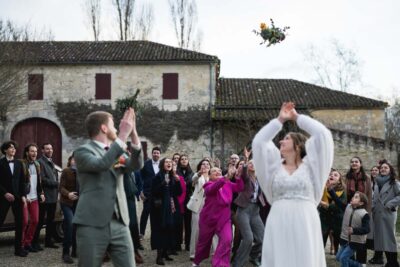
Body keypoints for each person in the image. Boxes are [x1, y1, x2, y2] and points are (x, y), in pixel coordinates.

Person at [252, 102, 334, 267]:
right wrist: (279, 120)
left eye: (287, 138)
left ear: (298, 145)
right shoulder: (273, 168)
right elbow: (259, 142)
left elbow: (323, 135)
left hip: (305, 219)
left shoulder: (313, 168)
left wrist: (297, 118)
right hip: (278, 218)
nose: (281, 141)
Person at [73, 108, 143, 267]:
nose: (117, 129)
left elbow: (136, 165)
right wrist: (123, 135)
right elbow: (101, 164)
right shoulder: (82, 151)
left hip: (120, 223)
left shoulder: (116, 152)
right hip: (91, 223)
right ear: (104, 128)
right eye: (113, 125)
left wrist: (133, 133)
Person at [192, 166, 244, 267]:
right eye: (214, 171)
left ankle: (220, 264)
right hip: (208, 219)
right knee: (203, 243)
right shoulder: (208, 184)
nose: (217, 172)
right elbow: (212, 189)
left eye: (219, 170)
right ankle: (196, 261)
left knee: (227, 240)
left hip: (223, 218)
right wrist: (226, 177)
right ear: (210, 175)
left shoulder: (227, 183)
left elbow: (239, 188)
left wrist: (238, 177)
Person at [232, 156, 266, 267]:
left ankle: (253, 255)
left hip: (255, 211)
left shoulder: (260, 178)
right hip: (244, 210)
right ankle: (237, 263)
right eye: (250, 163)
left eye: (254, 163)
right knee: (248, 238)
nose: (252, 164)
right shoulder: (245, 177)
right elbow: (244, 173)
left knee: (262, 237)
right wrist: (246, 160)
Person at [149, 158, 182, 265]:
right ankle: (159, 257)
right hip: (159, 209)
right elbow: (153, 192)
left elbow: (178, 192)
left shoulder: (173, 176)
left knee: (169, 228)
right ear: (162, 164)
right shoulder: (157, 177)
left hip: (169, 207)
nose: (169, 164)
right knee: (160, 230)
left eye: (170, 163)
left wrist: (178, 182)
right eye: (166, 162)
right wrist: (163, 183)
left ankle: (165, 253)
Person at [369, 160, 400, 267]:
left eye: (386, 168)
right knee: (380, 238)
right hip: (377, 214)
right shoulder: (377, 182)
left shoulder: (394, 183)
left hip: (388, 213)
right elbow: (374, 198)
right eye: (381, 168)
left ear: (390, 170)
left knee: (389, 238)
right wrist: (372, 207)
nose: (383, 169)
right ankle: (381, 259)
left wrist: (391, 204)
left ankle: (393, 263)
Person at [0, 141, 28, 257]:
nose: (13, 150)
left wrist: (23, 196)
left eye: (14, 148)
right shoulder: (0, 163)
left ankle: (18, 249)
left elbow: (22, 181)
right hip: (3, 197)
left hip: (17, 197)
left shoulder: (19, 163)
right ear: (5, 150)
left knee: (20, 224)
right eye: (11, 148)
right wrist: (5, 193)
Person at [344, 156, 372, 265]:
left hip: (362, 209)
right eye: (352, 162)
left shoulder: (367, 178)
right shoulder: (346, 177)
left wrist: (367, 212)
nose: (354, 163)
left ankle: (361, 262)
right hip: (350, 209)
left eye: (356, 161)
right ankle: (351, 261)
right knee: (350, 236)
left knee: (360, 238)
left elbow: (369, 196)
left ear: (360, 164)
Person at [20, 144, 45, 254]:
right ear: (27, 152)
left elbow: (39, 182)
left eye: (35, 151)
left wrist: (42, 193)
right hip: (24, 198)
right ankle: (20, 244)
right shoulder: (21, 164)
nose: (34, 153)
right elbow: (18, 182)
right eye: (32, 151)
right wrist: (23, 196)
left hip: (35, 197)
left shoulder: (37, 164)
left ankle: (27, 243)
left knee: (35, 220)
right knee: (24, 222)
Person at [34, 143, 59, 249]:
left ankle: (48, 241)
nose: (50, 150)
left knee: (51, 221)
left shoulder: (51, 162)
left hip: (53, 197)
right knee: (39, 221)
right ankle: (34, 242)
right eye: (47, 149)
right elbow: (42, 180)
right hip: (44, 197)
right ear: (42, 151)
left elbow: (54, 176)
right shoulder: (40, 162)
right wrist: (56, 183)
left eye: (51, 148)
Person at [336, 191, 370, 267]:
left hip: (355, 242)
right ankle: (359, 265)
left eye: (356, 197)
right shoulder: (348, 207)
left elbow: (367, 229)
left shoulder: (364, 214)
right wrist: (330, 190)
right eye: (354, 196)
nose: (353, 197)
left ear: (361, 203)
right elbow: (338, 201)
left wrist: (354, 230)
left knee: (343, 258)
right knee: (338, 257)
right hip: (345, 240)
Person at [319, 169, 347, 256]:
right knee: (322, 237)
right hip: (324, 217)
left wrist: (325, 204)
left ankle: (336, 251)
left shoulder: (342, 191)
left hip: (337, 218)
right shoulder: (322, 188)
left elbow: (340, 206)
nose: (332, 176)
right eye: (330, 174)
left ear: (339, 181)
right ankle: (319, 256)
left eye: (335, 175)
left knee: (337, 238)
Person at [58, 154, 79, 264]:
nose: (75, 161)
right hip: (66, 202)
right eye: (73, 159)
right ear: (70, 160)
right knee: (70, 224)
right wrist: (68, 194)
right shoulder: (66, 171)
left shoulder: (82, 172)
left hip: (78, 204)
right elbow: (61, 187)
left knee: (76, 227)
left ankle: (75, 251)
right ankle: (65, 253)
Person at [139, 146, 161, 239]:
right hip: (147, 193)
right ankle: (141, 233)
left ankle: (156, 233)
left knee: (157, 214)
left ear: (160, 154)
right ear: (152, 154)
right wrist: (140, 191)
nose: (156, 154)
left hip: (159, 193)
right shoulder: (145, 164)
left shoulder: (162, 165)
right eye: (154, 152)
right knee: (145, 212)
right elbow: (140, 178)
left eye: (157, 153)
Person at [176, 153, 194, 252]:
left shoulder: (192, 173)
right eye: (182, 159)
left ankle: (188, 244)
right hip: (179, 200)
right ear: (179, 161)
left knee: (188, 224)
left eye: (185, 159)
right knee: (178, 223)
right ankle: (178, 244)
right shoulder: (176, 172)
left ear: (188, 161)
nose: (183, 160)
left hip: (188, 200)